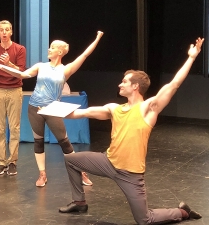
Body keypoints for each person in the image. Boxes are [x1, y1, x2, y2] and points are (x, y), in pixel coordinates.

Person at [60, 37, 204, 224]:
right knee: (71, 161)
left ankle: (182, 212)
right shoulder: (114, 108)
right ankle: (79, 202)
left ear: (135, 86)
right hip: (107, 161)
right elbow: (82, 112)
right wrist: (52, 110)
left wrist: (191, 58)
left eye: (124, 82)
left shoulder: (147, 108)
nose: (120, 84)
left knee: (144, 219)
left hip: (130, 173)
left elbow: (173, 85)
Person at [0, 31, 104, 187]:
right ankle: (42, 174)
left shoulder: (66, 69)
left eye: (52, 47)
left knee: (64, 142)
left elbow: (85, 55)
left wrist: (97, 38)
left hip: (53, 109)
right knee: (38, 141)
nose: (49, 49)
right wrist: (4, 65)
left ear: (60, 52)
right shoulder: (41, 66)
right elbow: (22, 75)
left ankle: (80, 172)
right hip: (34, 107)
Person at [0, 20, 26, 175]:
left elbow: (21, 71)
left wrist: (9, 64)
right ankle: (1, 162)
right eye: (2, 30)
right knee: (0, 128)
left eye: (7, 30)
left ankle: (12, 162)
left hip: (14, 90)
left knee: (14, 127)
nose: (5, 33)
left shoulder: (19, 49)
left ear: (11, 32)